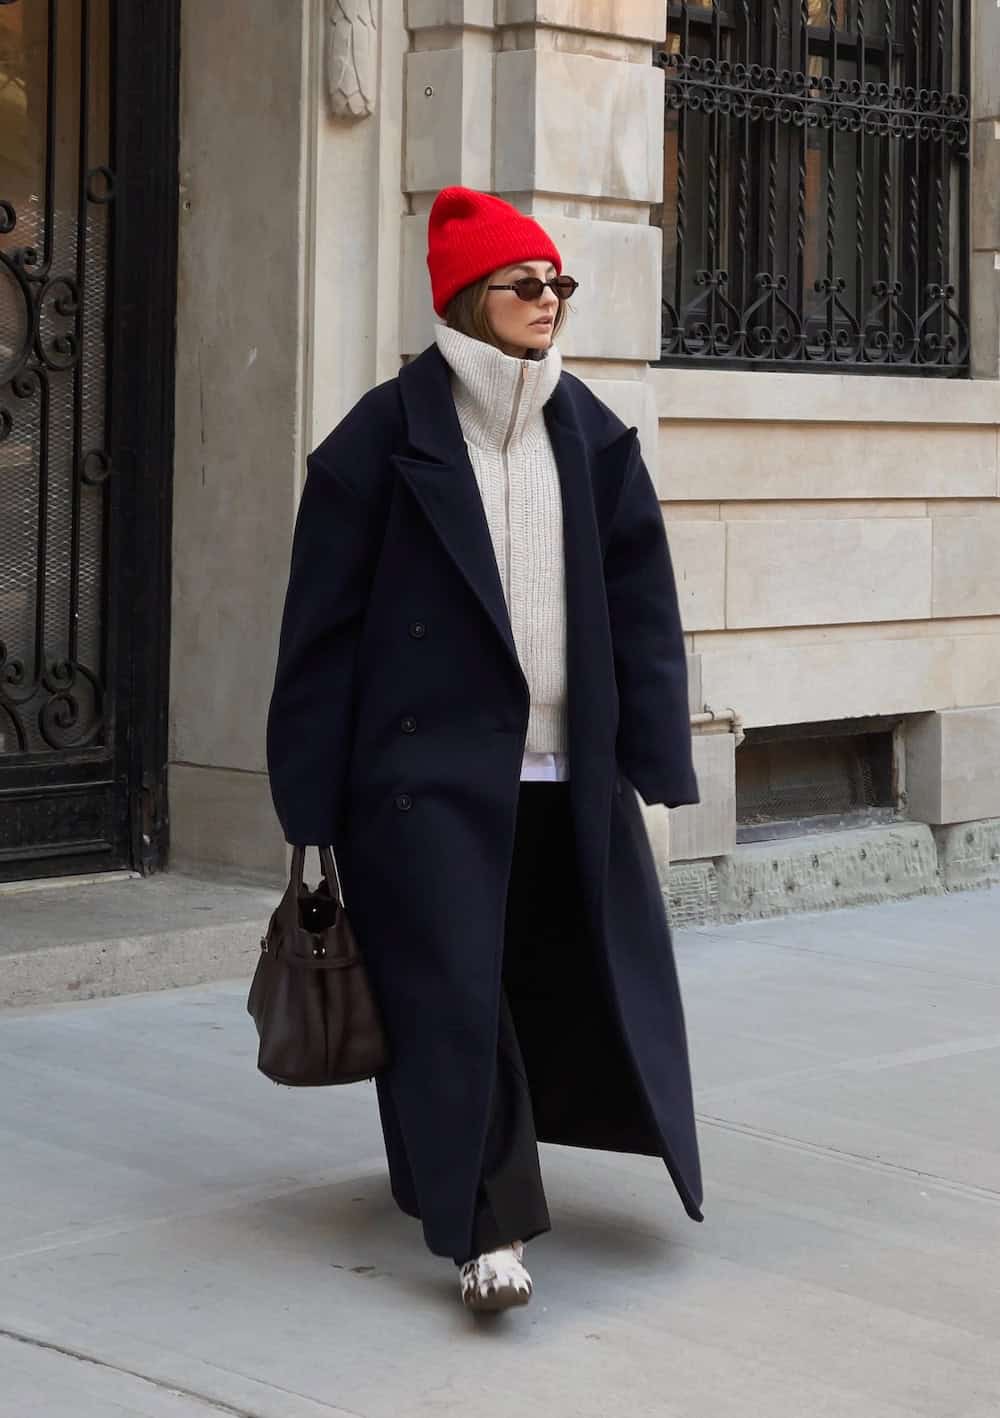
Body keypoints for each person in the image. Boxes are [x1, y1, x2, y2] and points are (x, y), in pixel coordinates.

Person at [266, 186, 702, 1313]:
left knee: (534, 977)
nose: (547, 301)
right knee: (450, 988)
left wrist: (654, 756)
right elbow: (320, 629)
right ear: (469, 297)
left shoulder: (591, 432)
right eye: (525, 284)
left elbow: (640, 606)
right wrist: (307, 801)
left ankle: (443, 1164)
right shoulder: (379, 438)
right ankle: (484, 1228)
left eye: (557, 282)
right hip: (417, 783)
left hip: (567, 767)